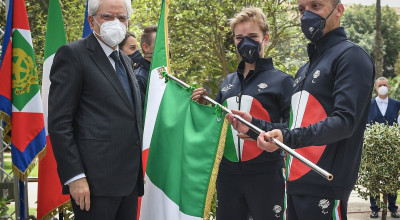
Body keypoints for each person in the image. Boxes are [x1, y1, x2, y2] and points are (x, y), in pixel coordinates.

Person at [229, 0, 375, 219]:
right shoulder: (304, 70)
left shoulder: (351, 56)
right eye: (301, 10)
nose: (306, 15)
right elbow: (293, 128)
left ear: (339, 10)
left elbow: (345, 122)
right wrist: (253, 126)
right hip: (294, 187)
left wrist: (287, 136)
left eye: (316, 6)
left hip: (325, 188)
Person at [192, 7, 293, 220]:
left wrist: (259, 131)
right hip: (228, 175)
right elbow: (217, 122)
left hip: (266, 173)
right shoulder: (229, 82)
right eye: (239, 37)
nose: (245, 43)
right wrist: (203, 105)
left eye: (252, 36)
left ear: (266, 38)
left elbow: (294, 127)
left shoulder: (282, 81)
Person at [48, 0, 144, 219]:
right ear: (92, 21)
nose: (115, 23)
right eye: (107, 17)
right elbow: (59, 124)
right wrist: (75, 177)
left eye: (121, 18)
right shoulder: (73, 55)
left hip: (128, 183)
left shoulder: (126, 62)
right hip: (92, 185)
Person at [367, 77, 400, 218]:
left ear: (389, 87)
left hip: (392, 149)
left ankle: (393, 208)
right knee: (373, 178)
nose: (382, 87)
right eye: (380, 85)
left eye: (385, 85)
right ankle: (374, 208)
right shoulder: (368, 105)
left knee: (392, 178)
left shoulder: (397, 104)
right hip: (373, 149)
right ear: (375, 88)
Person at [135, 25, 157, 101]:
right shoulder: (139, 77)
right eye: (161, 44)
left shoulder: (163, 73)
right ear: (146, 47)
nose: (166, 49)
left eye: (168, 45)